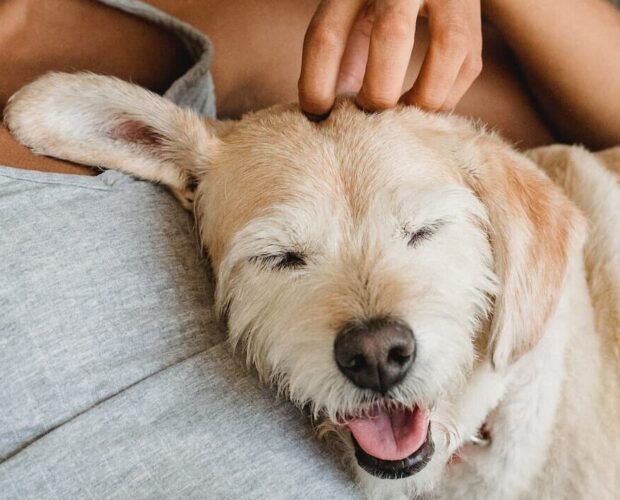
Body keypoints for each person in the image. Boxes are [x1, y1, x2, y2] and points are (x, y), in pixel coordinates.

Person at [0, 1, 618, 498]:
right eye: (284, 257)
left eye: (423, 231)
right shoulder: (206, 163)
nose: (376, 348)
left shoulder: (193, 34)